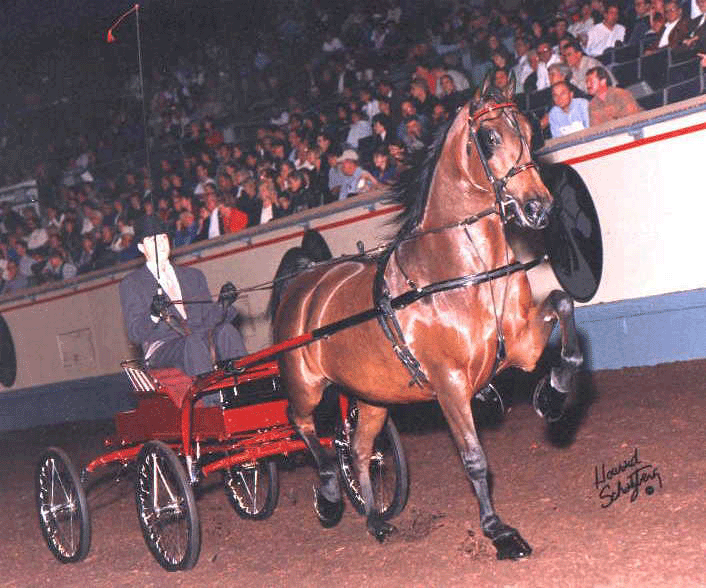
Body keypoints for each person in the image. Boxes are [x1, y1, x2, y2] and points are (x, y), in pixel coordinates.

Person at [119, 215, 246, 378]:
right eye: (152, 240)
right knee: (193, 343)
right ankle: (209, 401)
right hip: (163, 347)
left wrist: (223, 304)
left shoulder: (193, 276)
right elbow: (135, 334)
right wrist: (153, 315)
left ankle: (244, 388)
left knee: (226, 331)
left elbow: (208, 321)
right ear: (141, 247)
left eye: (163, 238)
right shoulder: (132, 284)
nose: (160, 244)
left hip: (197, 339)